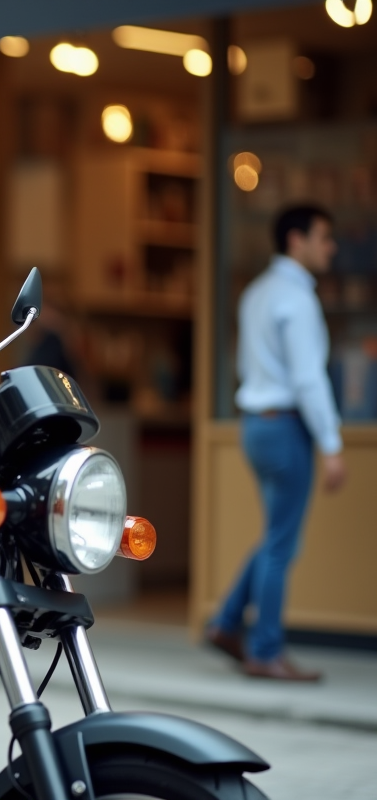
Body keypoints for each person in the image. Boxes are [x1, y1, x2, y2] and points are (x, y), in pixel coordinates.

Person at [205, 205, 347, 682]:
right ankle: (265, 651)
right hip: (286, 427)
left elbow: (247, 365)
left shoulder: (257, 293)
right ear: (296, 240)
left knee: (275, 538)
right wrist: (331, 444)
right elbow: (308, 379)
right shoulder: (297, 299)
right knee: (281, 544)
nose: (331, 248)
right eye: (324, 238)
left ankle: (226, 623)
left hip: (255, 425)